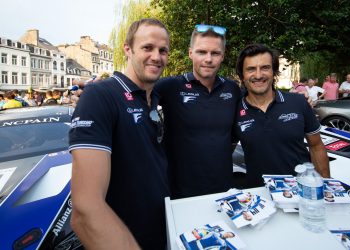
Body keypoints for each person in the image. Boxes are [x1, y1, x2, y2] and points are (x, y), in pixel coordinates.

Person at [69, 18, 170, 249]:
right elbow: (85, 210)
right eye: (147, 48)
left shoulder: (155, 98)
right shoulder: (100, 96)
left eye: (163, 50)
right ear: (127, 49)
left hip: (162, 231)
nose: (157, 56)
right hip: (122, 238)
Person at [155, 24, 241, 198]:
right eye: (202, 52)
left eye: (215, 53)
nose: (208, 59)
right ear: (190, 53)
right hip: (178, 188)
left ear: (222, 56)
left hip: (223, 187)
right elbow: (134, 95)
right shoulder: (170, 86)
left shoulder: (232, 89)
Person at [233, 44, 330, 187]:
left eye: (265, 67)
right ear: (242, 76)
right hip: (260, 196)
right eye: (251, 69)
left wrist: (326, 186)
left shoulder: (298, 102)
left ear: (274, 72)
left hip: (302, 191)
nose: (258, 75)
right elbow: (224, 152)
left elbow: (316, 146)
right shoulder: (234, 111)